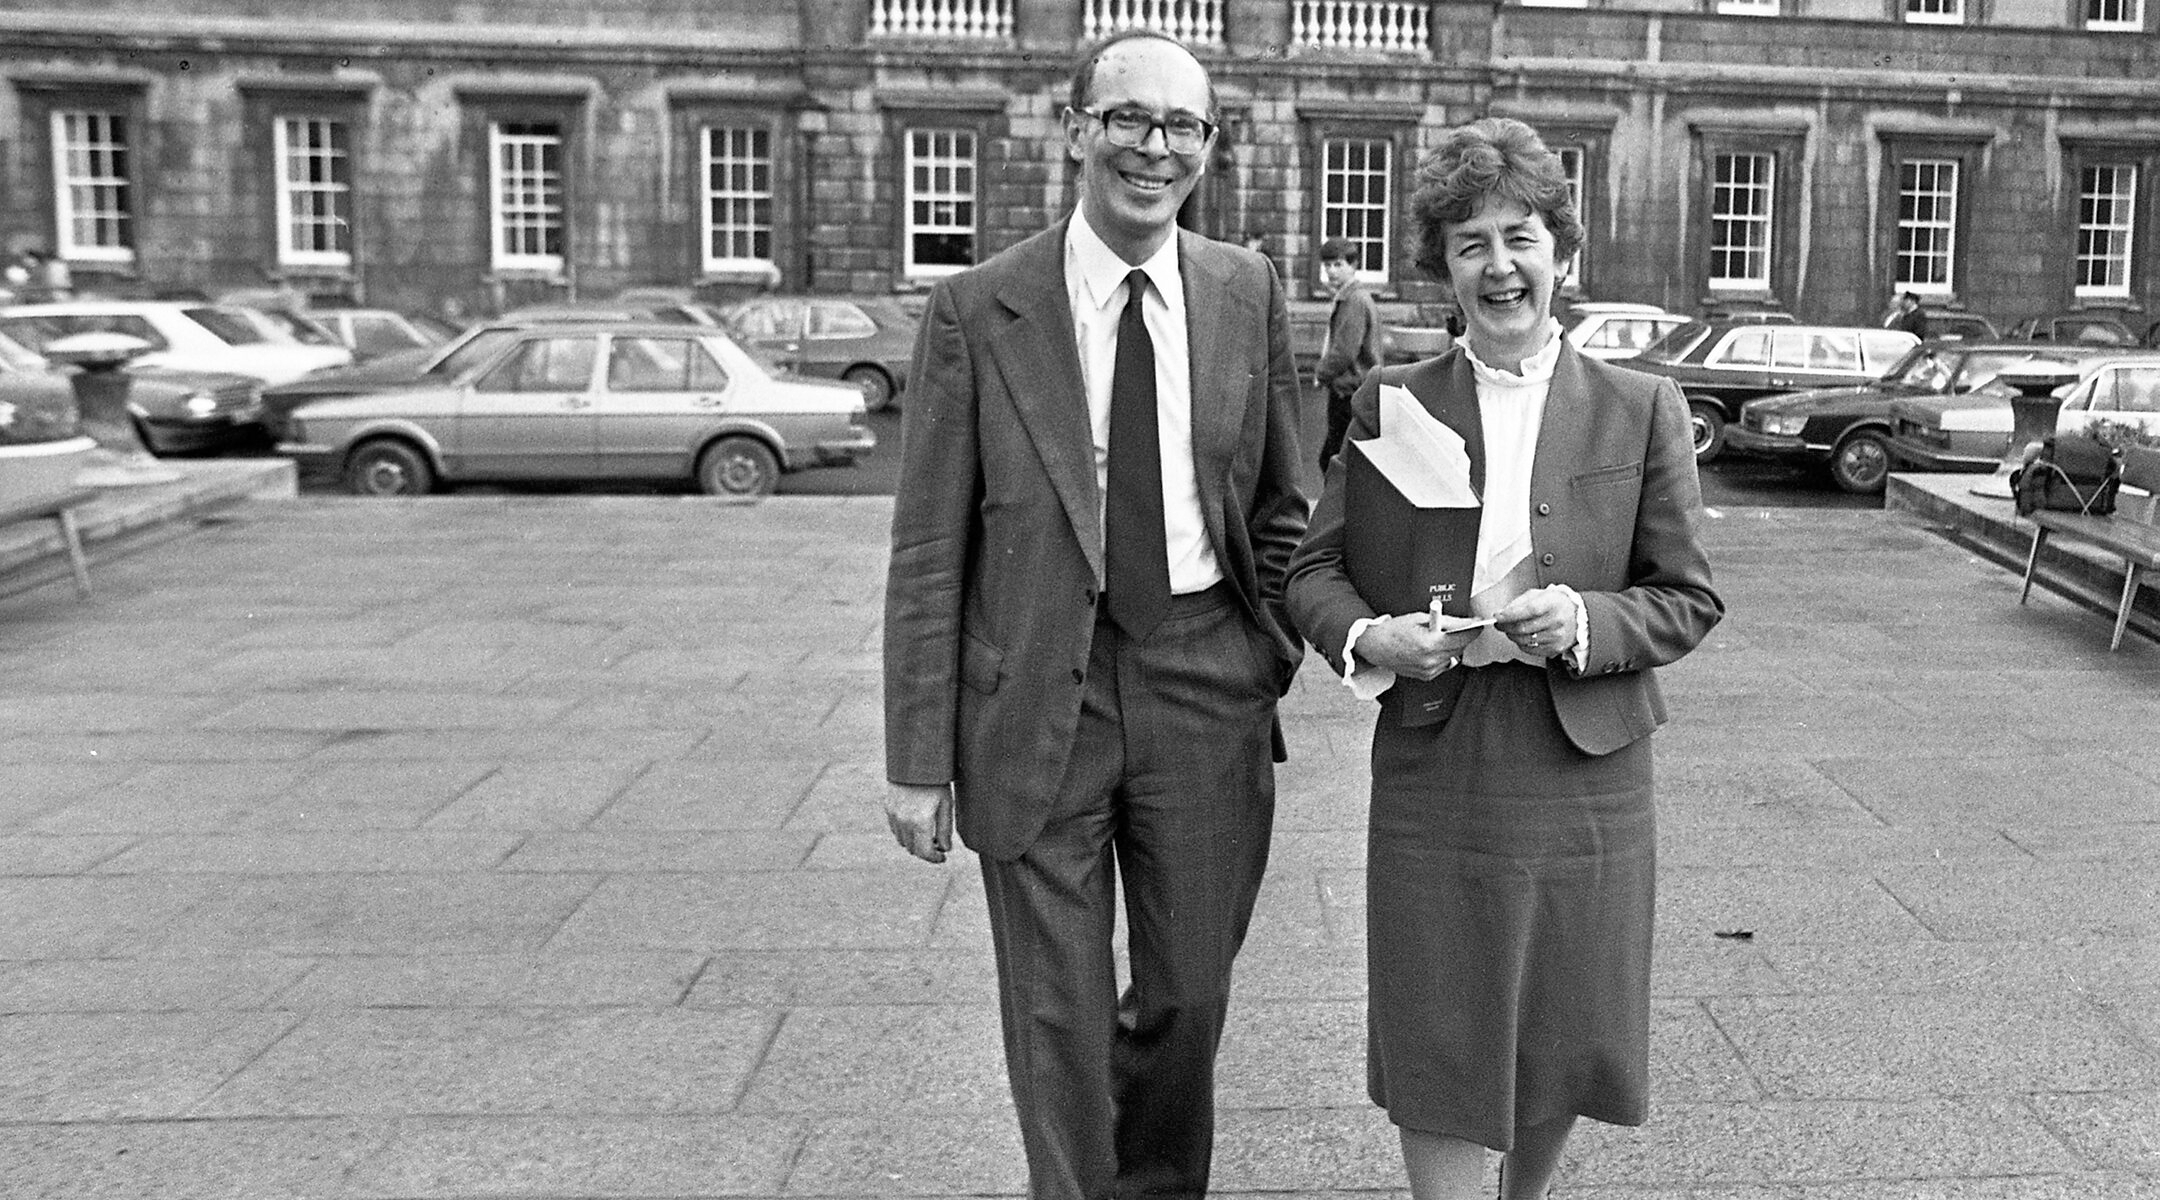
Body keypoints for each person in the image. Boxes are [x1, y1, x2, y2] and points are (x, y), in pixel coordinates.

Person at [882, 29, 1308, 1200]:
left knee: (1187, 997)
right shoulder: (978, 309)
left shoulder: (1245, 290)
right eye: (1128, 117)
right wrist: (916, 760)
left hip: (1203, 682)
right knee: (1055, 1014)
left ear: (1209, 149)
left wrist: (1264, 648)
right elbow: (929, 548)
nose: (1154, 148)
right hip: (1032, 697)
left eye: (1183, 127)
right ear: (1074, 129)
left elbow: (1282, 500)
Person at [1283, 117, 1724, 1200]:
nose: (1499, 265)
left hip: (1585, 766)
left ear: (1561, 254)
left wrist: (1585, 624)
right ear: (1443, 266)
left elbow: (1688, 597)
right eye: (1470, 242)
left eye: (1520, 236)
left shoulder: (1640, 408)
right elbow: (1311, 573)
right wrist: (1367, 637)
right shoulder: (1389, 402)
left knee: (1562, 1018)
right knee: (1439, 1018)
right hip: (1439, 760)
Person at [1313, 235, 1385, 474]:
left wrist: (1321, 373)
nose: (1331, 271)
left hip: (1351, 393)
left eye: (1338, 265)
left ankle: (1342, 512)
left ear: (1353, 266)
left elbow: (1344, 352)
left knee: (1338, 464)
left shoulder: (1353, 300)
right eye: (1327, 265)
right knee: (1335, 460)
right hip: (1355, 390)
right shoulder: (1351, 297)